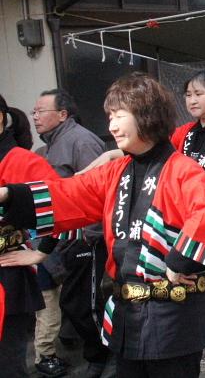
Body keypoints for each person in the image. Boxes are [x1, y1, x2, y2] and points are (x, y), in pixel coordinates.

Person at [0, 73, 205, 378]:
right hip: (128, 316)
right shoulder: (116, 172)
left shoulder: (182, 170)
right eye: (110, 116)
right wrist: (9, 195)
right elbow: (69, 193)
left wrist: (178, 262)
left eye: (119, 115)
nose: (111, 125)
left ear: (147, 115)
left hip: (172, 317)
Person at [82, 70, 205, 378]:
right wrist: (110, 154)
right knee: (203, 294)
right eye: (188, 95)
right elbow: (151, 147)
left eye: (199, 94)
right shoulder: (185, 133)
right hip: (188, 233)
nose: (192, 100)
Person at [32, 89, 107, 377]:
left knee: (81, 303)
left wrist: (91, 235)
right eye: (34, 112)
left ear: (62, 114)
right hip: (61, 238)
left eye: (41, 111)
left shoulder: (81, 141)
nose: (35, 117)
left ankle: (102, 356)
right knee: (72, 302)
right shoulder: (51, 145)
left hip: (86, 238)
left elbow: (98, 190)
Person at [0, 95, 59, 377]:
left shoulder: (21, 160)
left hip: (6, 274)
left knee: (7, 366)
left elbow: (64, 203)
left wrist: (42, 250)